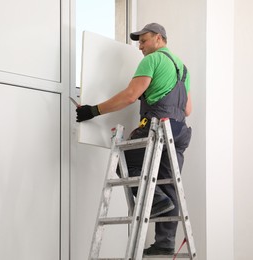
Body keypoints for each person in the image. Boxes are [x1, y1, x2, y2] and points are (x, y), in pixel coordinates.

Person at [76, 23, 192, 256]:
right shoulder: (182, 68)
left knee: (125, 163)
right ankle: (165, 242)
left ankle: (157, 201)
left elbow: (130, 95)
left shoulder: (153, 60)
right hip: (178, 131)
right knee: (168, 183)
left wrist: (93, 111)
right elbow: (187, 109)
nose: (140, 47)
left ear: (159, 38)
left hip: (158, 126)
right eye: (139, 42)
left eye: (144, 40)